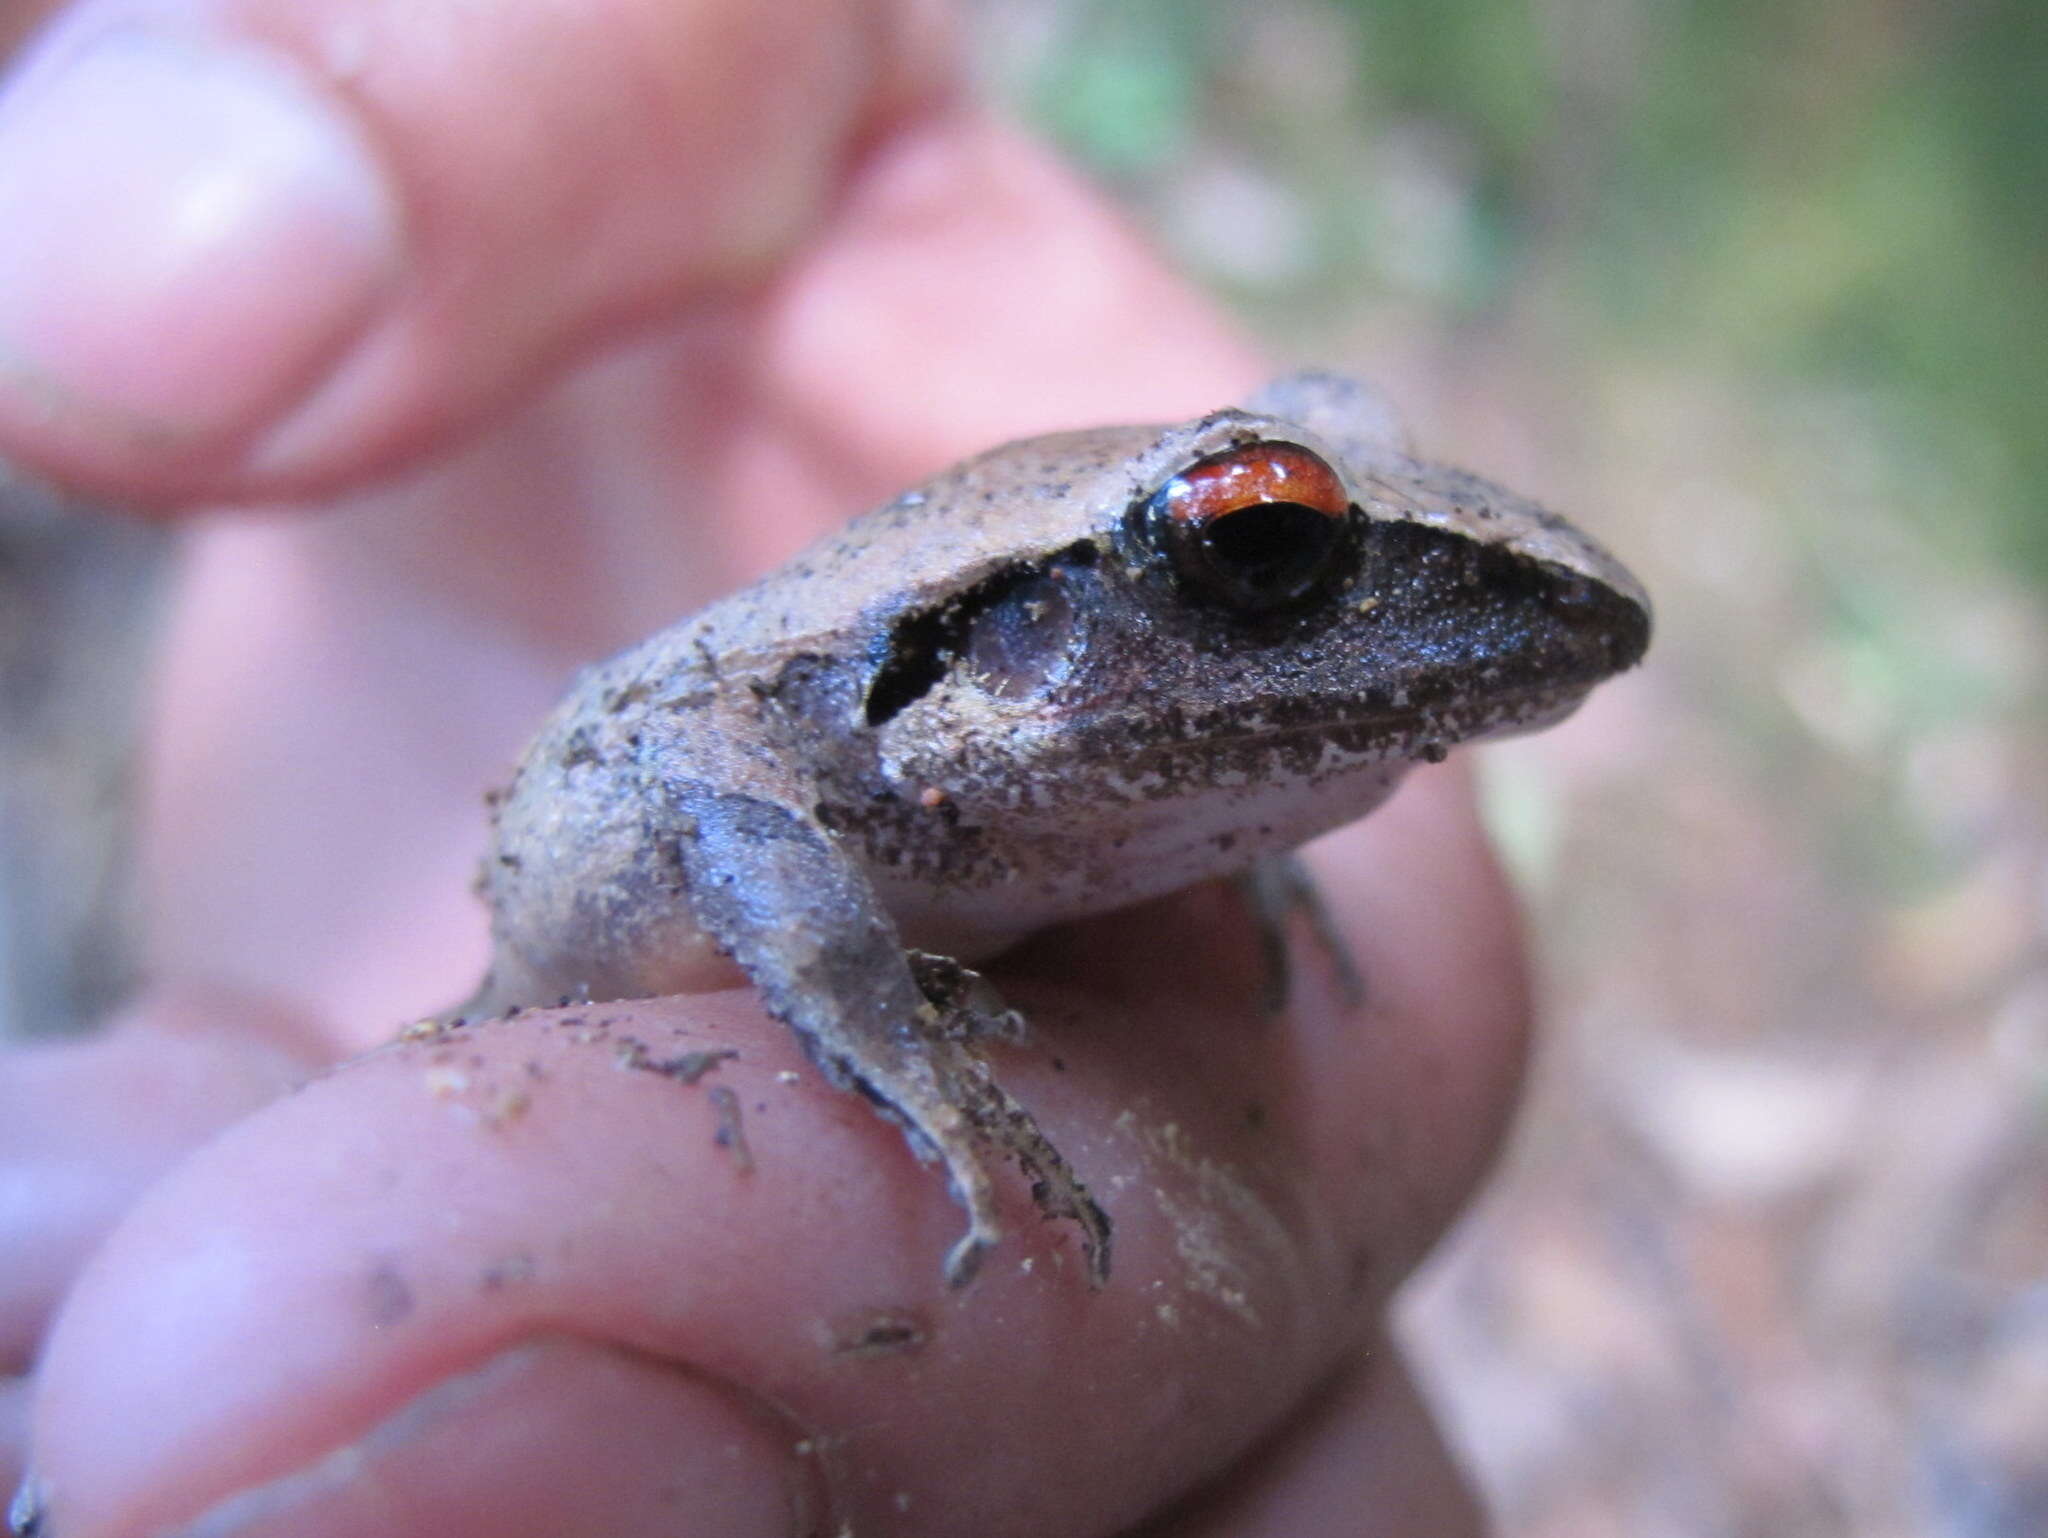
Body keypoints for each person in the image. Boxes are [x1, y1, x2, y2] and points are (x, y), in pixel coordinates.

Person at [0, 2, 1529, 1532]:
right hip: (616, 848)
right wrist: (890, 1031)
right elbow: (710, 792)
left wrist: (1237, 830)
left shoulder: (1070, 770)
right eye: (1260, 545)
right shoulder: (878, 749)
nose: (1335, 593)